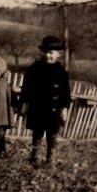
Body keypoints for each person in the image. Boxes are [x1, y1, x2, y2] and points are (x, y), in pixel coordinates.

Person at [19, 35, 71, 166]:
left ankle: (50, 158)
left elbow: (66, 93)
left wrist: (65, 108)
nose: (49, 56)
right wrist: (24, 103)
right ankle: (35, 156)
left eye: (52, 53)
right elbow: (26, 88)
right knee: (37, 133)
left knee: (52, 134)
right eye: (47, 52)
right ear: (42, 52)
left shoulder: (62, 73)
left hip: (54, 109)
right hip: (38, 107)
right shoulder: (34, 69)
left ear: (59, 54)